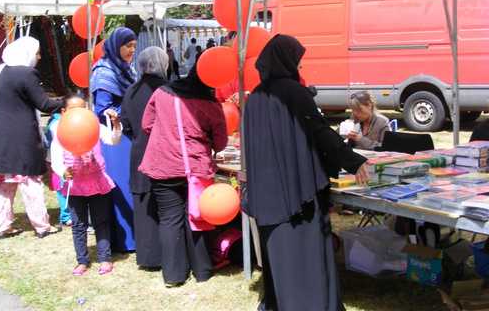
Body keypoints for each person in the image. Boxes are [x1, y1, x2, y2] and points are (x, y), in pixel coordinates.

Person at [244, 34, 369, 311]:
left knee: (280, 259)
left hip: (267, 194)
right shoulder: (294, 93)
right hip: (298, 193)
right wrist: (354, 161)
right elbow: (320, 133)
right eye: (297, 62)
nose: (300, 67)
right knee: (306, 258)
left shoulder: (255, 98)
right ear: (287, 60)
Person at [138, 65, 228, 287]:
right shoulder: (210, 104)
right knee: (198, 217)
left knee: (170, 219)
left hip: (163, 164)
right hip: (196, 167)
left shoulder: (161, 93)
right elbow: (221, 142)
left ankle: (174, 275)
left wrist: (166, 135)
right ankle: (202, 270)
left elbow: (146, 125)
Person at [0, 36, 63, 239]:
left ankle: (4, 226)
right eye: (37, 52)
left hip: (0, 136)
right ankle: (42, 226)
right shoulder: (26, 73)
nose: (39, 57)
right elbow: (43, 104)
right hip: (21, 139)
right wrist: (67, 100)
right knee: (30, 183)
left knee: (3, 186)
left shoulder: (3, 72)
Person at [50, 95, 122, 276]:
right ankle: (82, 260)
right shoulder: (60, 131)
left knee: (101, 221)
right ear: (64, 112)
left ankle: (105, 258)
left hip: (97, 182)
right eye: (75, 110)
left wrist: (115, 125)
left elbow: (113, 140)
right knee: (78, 224)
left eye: (84, 109)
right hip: (75, 186)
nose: (80, 114)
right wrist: (62, 171)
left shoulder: (94, 126)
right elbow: (55, 158)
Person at [121, 47, 168, 270]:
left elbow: (126, 126)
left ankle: (147, 256)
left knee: (143, 204)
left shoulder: (130, 91)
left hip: (139, 150)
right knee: (166, 204)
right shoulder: (167, 89)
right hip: (164, 152)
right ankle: (164, 254)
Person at [90, 27, 137, 252]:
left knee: (130, 186)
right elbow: (102, 108)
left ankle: (134, 238)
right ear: (115, 46)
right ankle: (122, 240)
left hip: (129, 134)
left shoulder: (128, 69)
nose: (132, 50)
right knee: (120, 187)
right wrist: (123, 111)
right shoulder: (104, 71)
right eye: (128, 46)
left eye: (135, 46)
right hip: (115, 138)